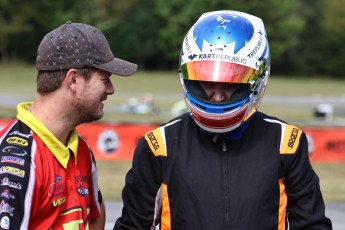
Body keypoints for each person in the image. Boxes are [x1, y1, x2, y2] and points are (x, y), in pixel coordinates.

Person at [114, 10, 332, 229]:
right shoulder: (159, 145)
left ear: (257, 80)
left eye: (230, 84)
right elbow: (133, 226)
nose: (217, 97)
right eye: (207, 83)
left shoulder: (286, 143)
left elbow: (312, 225)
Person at [0, 22, 137, 229]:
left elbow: (95, 212)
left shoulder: (80, 149)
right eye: (105, 79)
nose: (111, 89)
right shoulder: (17, 161)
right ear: (73, 80)